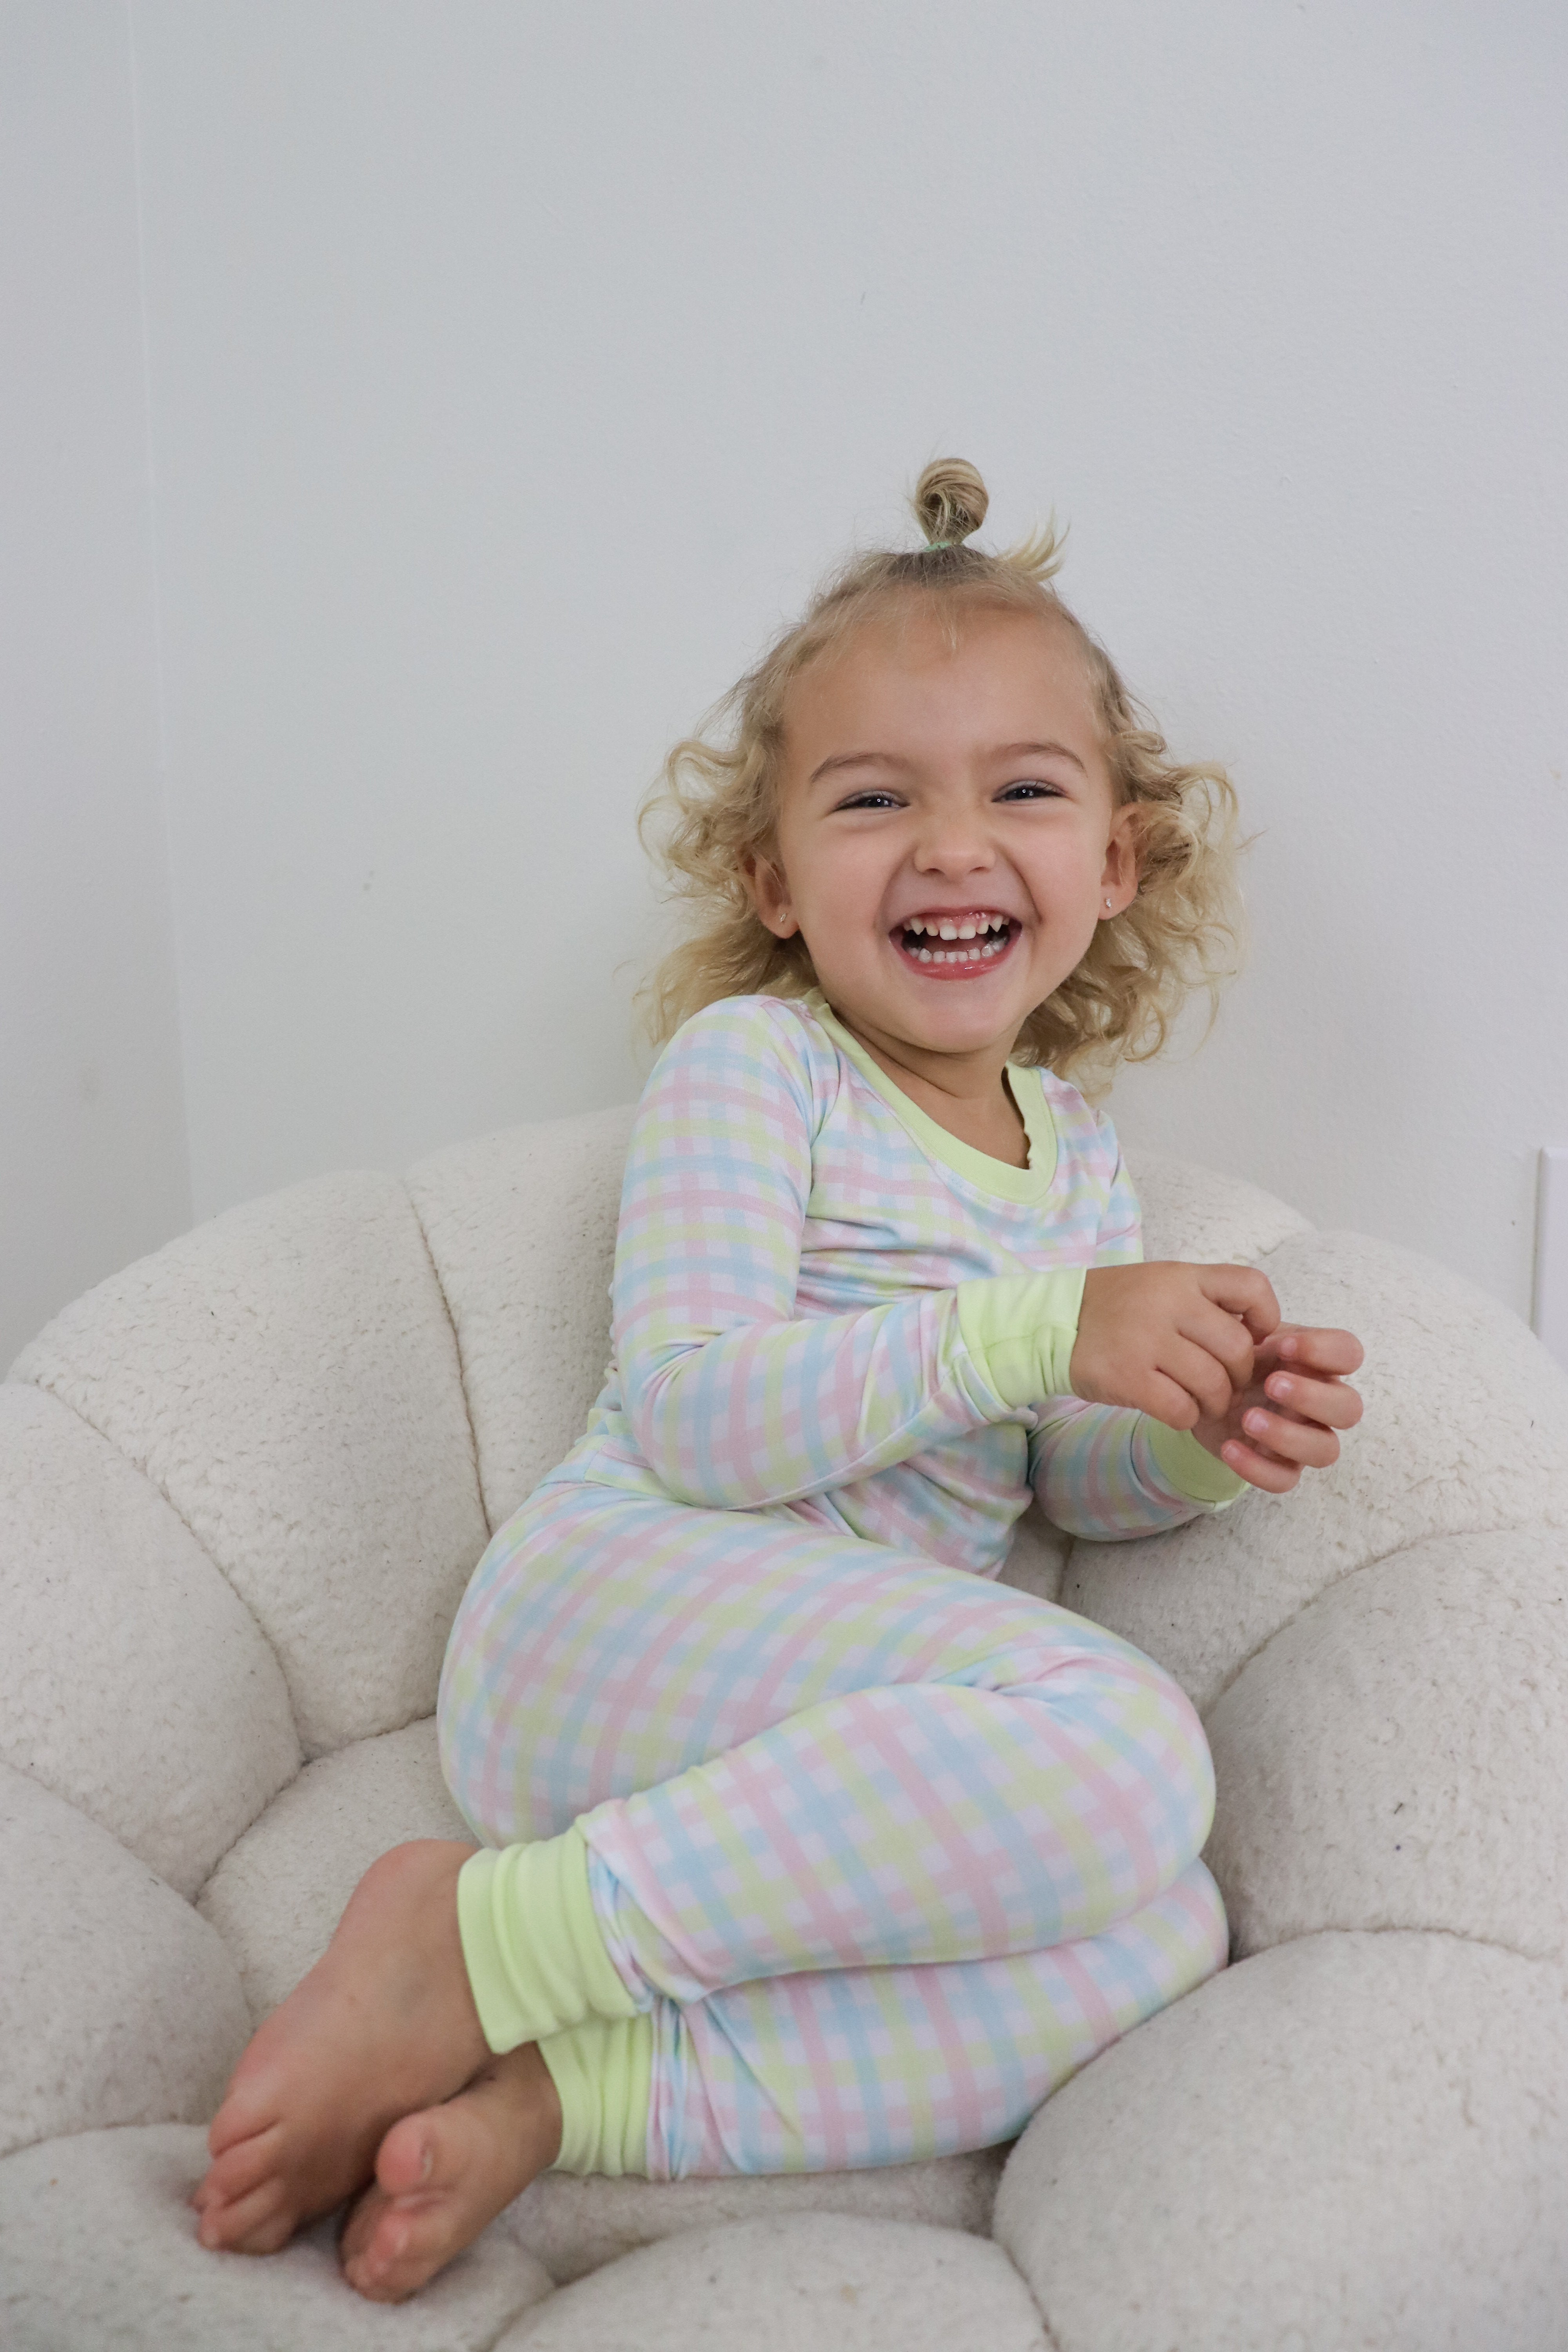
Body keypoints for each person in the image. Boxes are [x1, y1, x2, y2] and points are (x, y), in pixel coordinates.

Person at [191, 459, 1363, 2302]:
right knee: (1135, 1749)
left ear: (1116, 860)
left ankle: (564, 2097)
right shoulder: (762, 1069)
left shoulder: (1072, 1155)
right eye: (875, 798)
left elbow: (1051, 1476)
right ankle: (476, 1943)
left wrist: (1190, 1438)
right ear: (775, 878)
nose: (952, 847)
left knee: (1164, 1928)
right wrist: (1040, 1328)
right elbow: (693, 1408)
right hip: (609, 1622)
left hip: (802, 1754)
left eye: (1023, 792)